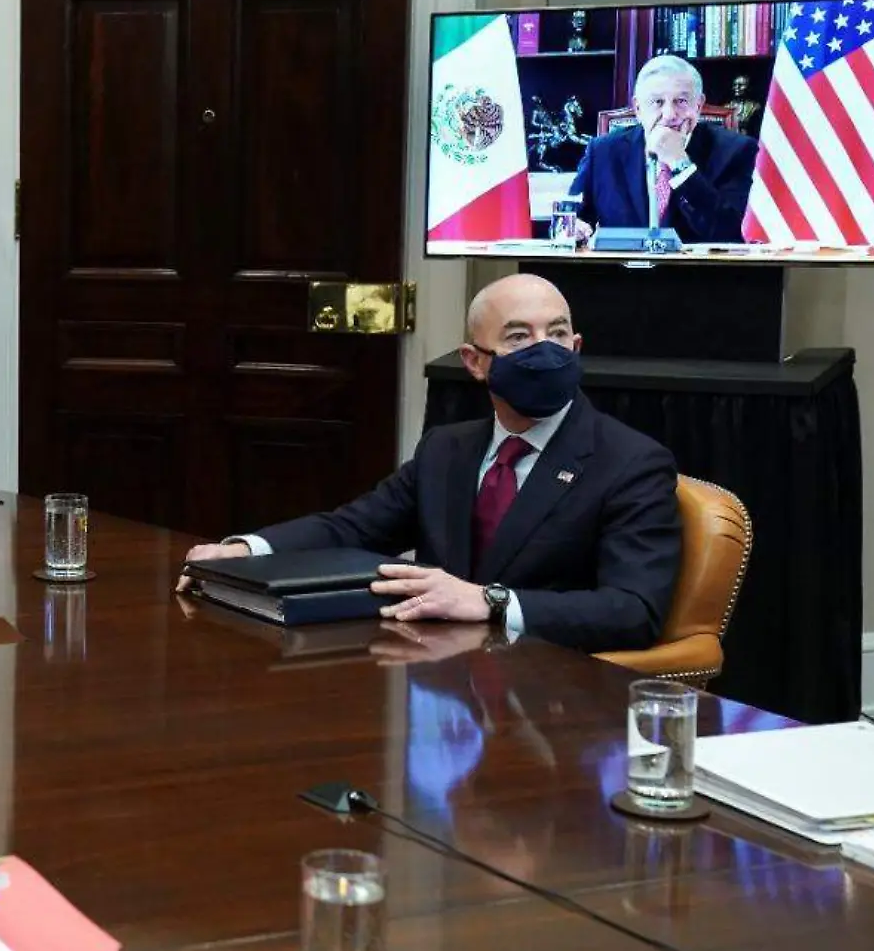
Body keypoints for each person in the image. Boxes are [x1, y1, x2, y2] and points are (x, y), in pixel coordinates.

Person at [181, 274, 682, 653]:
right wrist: (246, 550)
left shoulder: (630, 463)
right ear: (475, 362)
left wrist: (491, 601)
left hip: (551, 695)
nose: (543, 350)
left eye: (556, 333)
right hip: (441, 680)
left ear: (577, 347)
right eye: (518, 337)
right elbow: (351, 528)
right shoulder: (447, 449)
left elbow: (632, 611)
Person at [568, 55, 759, 245]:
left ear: (699, 105)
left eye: (681, 101)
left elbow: (732, 233)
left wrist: (680, 163)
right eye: (657, 102)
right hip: (621, 264)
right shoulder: (603, 151)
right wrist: (575, 228)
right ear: (638, 108)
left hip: (698, 265)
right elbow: (573, 216)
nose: (669, 115)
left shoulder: (736, 151)